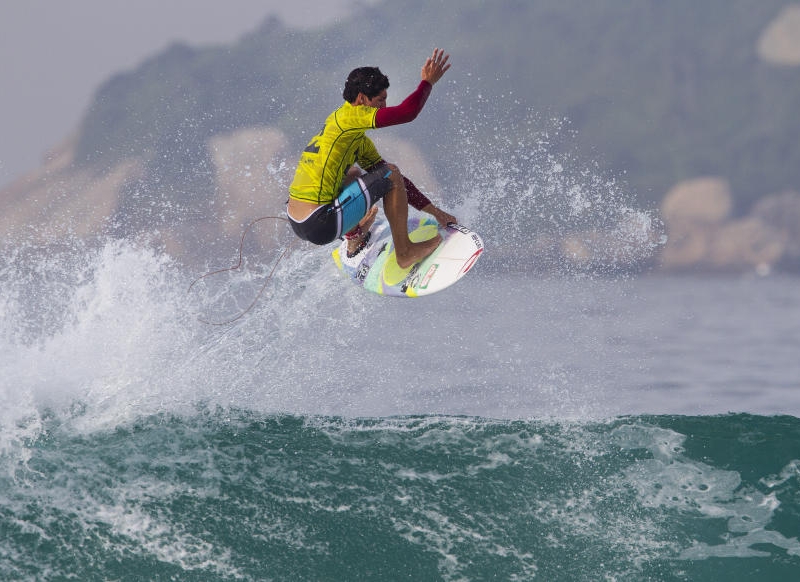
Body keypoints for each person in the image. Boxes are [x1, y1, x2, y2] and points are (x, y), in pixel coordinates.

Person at [286, 48, 457, 268]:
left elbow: (397, 183)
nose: (384, 107)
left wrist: (436, 212)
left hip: (298, 220)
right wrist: (427, 82)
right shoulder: (351, 117)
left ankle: (353, 236)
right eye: (380, 100)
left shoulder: (347, 130)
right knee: (390, 172)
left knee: (356, 173)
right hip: (320, 223)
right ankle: (405, 252)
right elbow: (407, 113)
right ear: (361, 99)